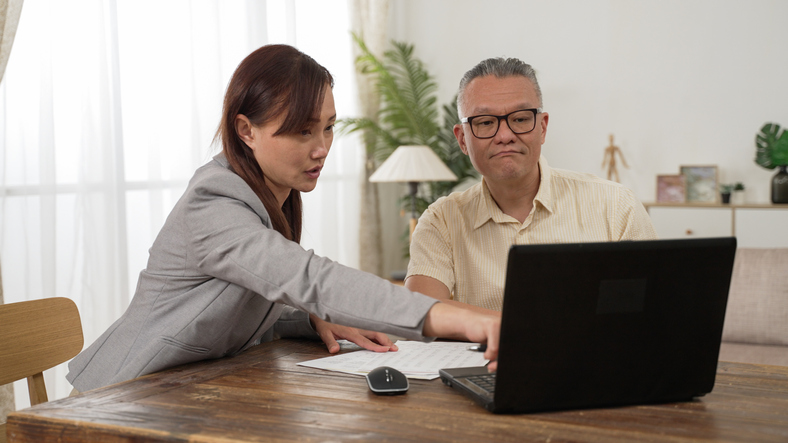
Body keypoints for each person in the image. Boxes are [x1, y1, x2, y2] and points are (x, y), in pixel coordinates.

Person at [67, 45, 500, 393]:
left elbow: (241, 302)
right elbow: (311, 279)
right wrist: (472, 320)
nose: (321, 148)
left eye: (328, 127)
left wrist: (310, 318)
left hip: (182, 392)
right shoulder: (213, 202)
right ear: (246, 131)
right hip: (117, 398)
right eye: (301, 130)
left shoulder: (273, 192)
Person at [405, 57, 657, 315]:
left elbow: (652, 307)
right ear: (462, 140)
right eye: (485, 123)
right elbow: (418, 311)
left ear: (542, 127)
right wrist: (519, 327)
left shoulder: (616, 207)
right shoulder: (441, 221)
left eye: (521, 119)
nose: (505, 136)